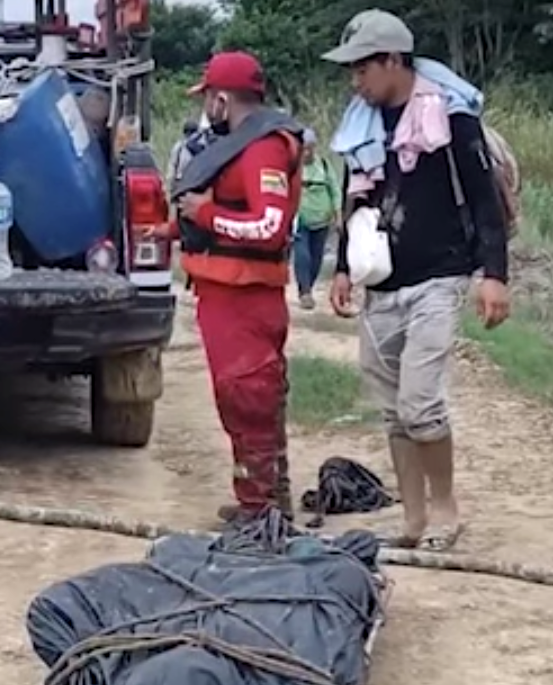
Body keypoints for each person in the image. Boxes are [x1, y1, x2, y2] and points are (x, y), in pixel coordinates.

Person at [324, 9, 509, 551]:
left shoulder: (451, 119)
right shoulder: (360, 126)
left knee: (421, 403)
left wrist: (494, 274)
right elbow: (352, 199)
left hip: (440, 275)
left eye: (363, 69)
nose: (355, 80)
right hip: (380, 280)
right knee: (392, 409)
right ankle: (413, 519)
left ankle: (447, 511)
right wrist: (341, 268)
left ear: (393, 61)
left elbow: (485, 201)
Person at [168, 51, 303, 523]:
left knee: (250, 398)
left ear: (222, 99)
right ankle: (263, 498)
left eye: (207, 97)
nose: (206, 107)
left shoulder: (263, 148)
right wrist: (173, 229)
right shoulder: (240, 144)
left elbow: (269, 224)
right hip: (226, 292)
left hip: (246, 296)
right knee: (244, 400)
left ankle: (261, 508)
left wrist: (204, 214)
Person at [293, 127, 343, 310]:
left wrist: (338, 215)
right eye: (303, 148)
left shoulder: (323, 165)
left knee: (316, 258)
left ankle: (309, 287)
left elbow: (335, 191)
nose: (306, 153)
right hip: (299, 220)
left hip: (322, 220)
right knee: (302, 255)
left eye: (310, 148)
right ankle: (304, 292)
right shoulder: (293, 166)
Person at [165, 119, 200, 187]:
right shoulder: (201, 146)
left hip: (180, 180)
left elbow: (172, 165)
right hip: (195, 181)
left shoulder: (179, 146)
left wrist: (169, 180)